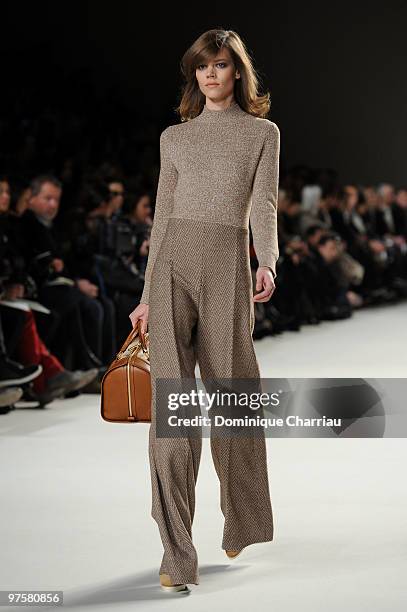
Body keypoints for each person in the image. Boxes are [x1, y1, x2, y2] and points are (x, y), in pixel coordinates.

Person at [129, 28, 279, 594]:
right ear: (194, 75)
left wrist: (266, 260)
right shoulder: (175, 138)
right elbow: (161, 220)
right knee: (174, 415)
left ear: (237, 71)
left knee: (233, 396)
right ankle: (175, 550)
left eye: (220, 65)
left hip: (226, 268)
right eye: (202, 67)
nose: (210, 75)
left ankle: (242, 520)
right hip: (171, 268)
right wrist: (146, 294)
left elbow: (263, 203)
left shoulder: (262, 134)